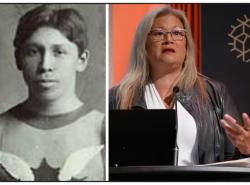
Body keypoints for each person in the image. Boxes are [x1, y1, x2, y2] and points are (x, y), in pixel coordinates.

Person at [109, 6, 250, 165]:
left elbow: (234, 162)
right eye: (158, 33)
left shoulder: (215, 93)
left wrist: (246, 149)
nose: (168, 39)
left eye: (177, 33)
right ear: (144, 45)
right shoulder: (117, 97)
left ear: (187, 46)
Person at [0, 5, 105, 181]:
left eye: (59, 52)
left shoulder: (102, 129)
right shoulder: (2, 129)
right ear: (19, 59)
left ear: (81, 60)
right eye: (33, 52)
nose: (45, 65)